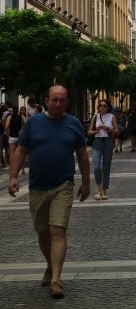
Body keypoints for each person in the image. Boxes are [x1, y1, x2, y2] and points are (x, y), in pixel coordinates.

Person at [8, 85, 90, 299]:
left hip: (63, 184)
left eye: (62, 100)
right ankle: (50, 265)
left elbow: (82, 155)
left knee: (58, 230)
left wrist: (86, 183)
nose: (58, 104)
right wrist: (14, 176)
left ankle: (56, 280)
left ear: (67, 102)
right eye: (54, 100)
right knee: (43, 232)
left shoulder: (73, 124)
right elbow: (21, 150)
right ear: (46, 100)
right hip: (37, 186)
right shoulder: (33, 123)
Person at [88, 99, 118, 200]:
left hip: (108, 142)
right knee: (96, 166)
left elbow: (117, 131)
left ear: (108, 107)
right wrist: (96, 130)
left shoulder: (112, 117)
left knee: (106, 166)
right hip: (97, 142)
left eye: (104, 106)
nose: (102, 107)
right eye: (100, 106)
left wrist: (108, 129)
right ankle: (98, 190)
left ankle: (104, 191)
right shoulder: (95, 116)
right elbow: (89, 132)